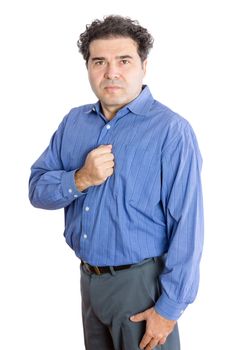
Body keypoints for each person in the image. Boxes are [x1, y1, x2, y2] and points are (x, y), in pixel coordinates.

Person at [29, 15, 204, 350]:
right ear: (88, 68)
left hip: (141, 288)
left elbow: (188, 226)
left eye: (123, 60)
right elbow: (38, 190)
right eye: (100, 62)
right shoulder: (74, 122)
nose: (111, 72)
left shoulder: (171, 131)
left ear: (144, 66)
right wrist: (81, 178)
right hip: (88, 283)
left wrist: (169, 308)